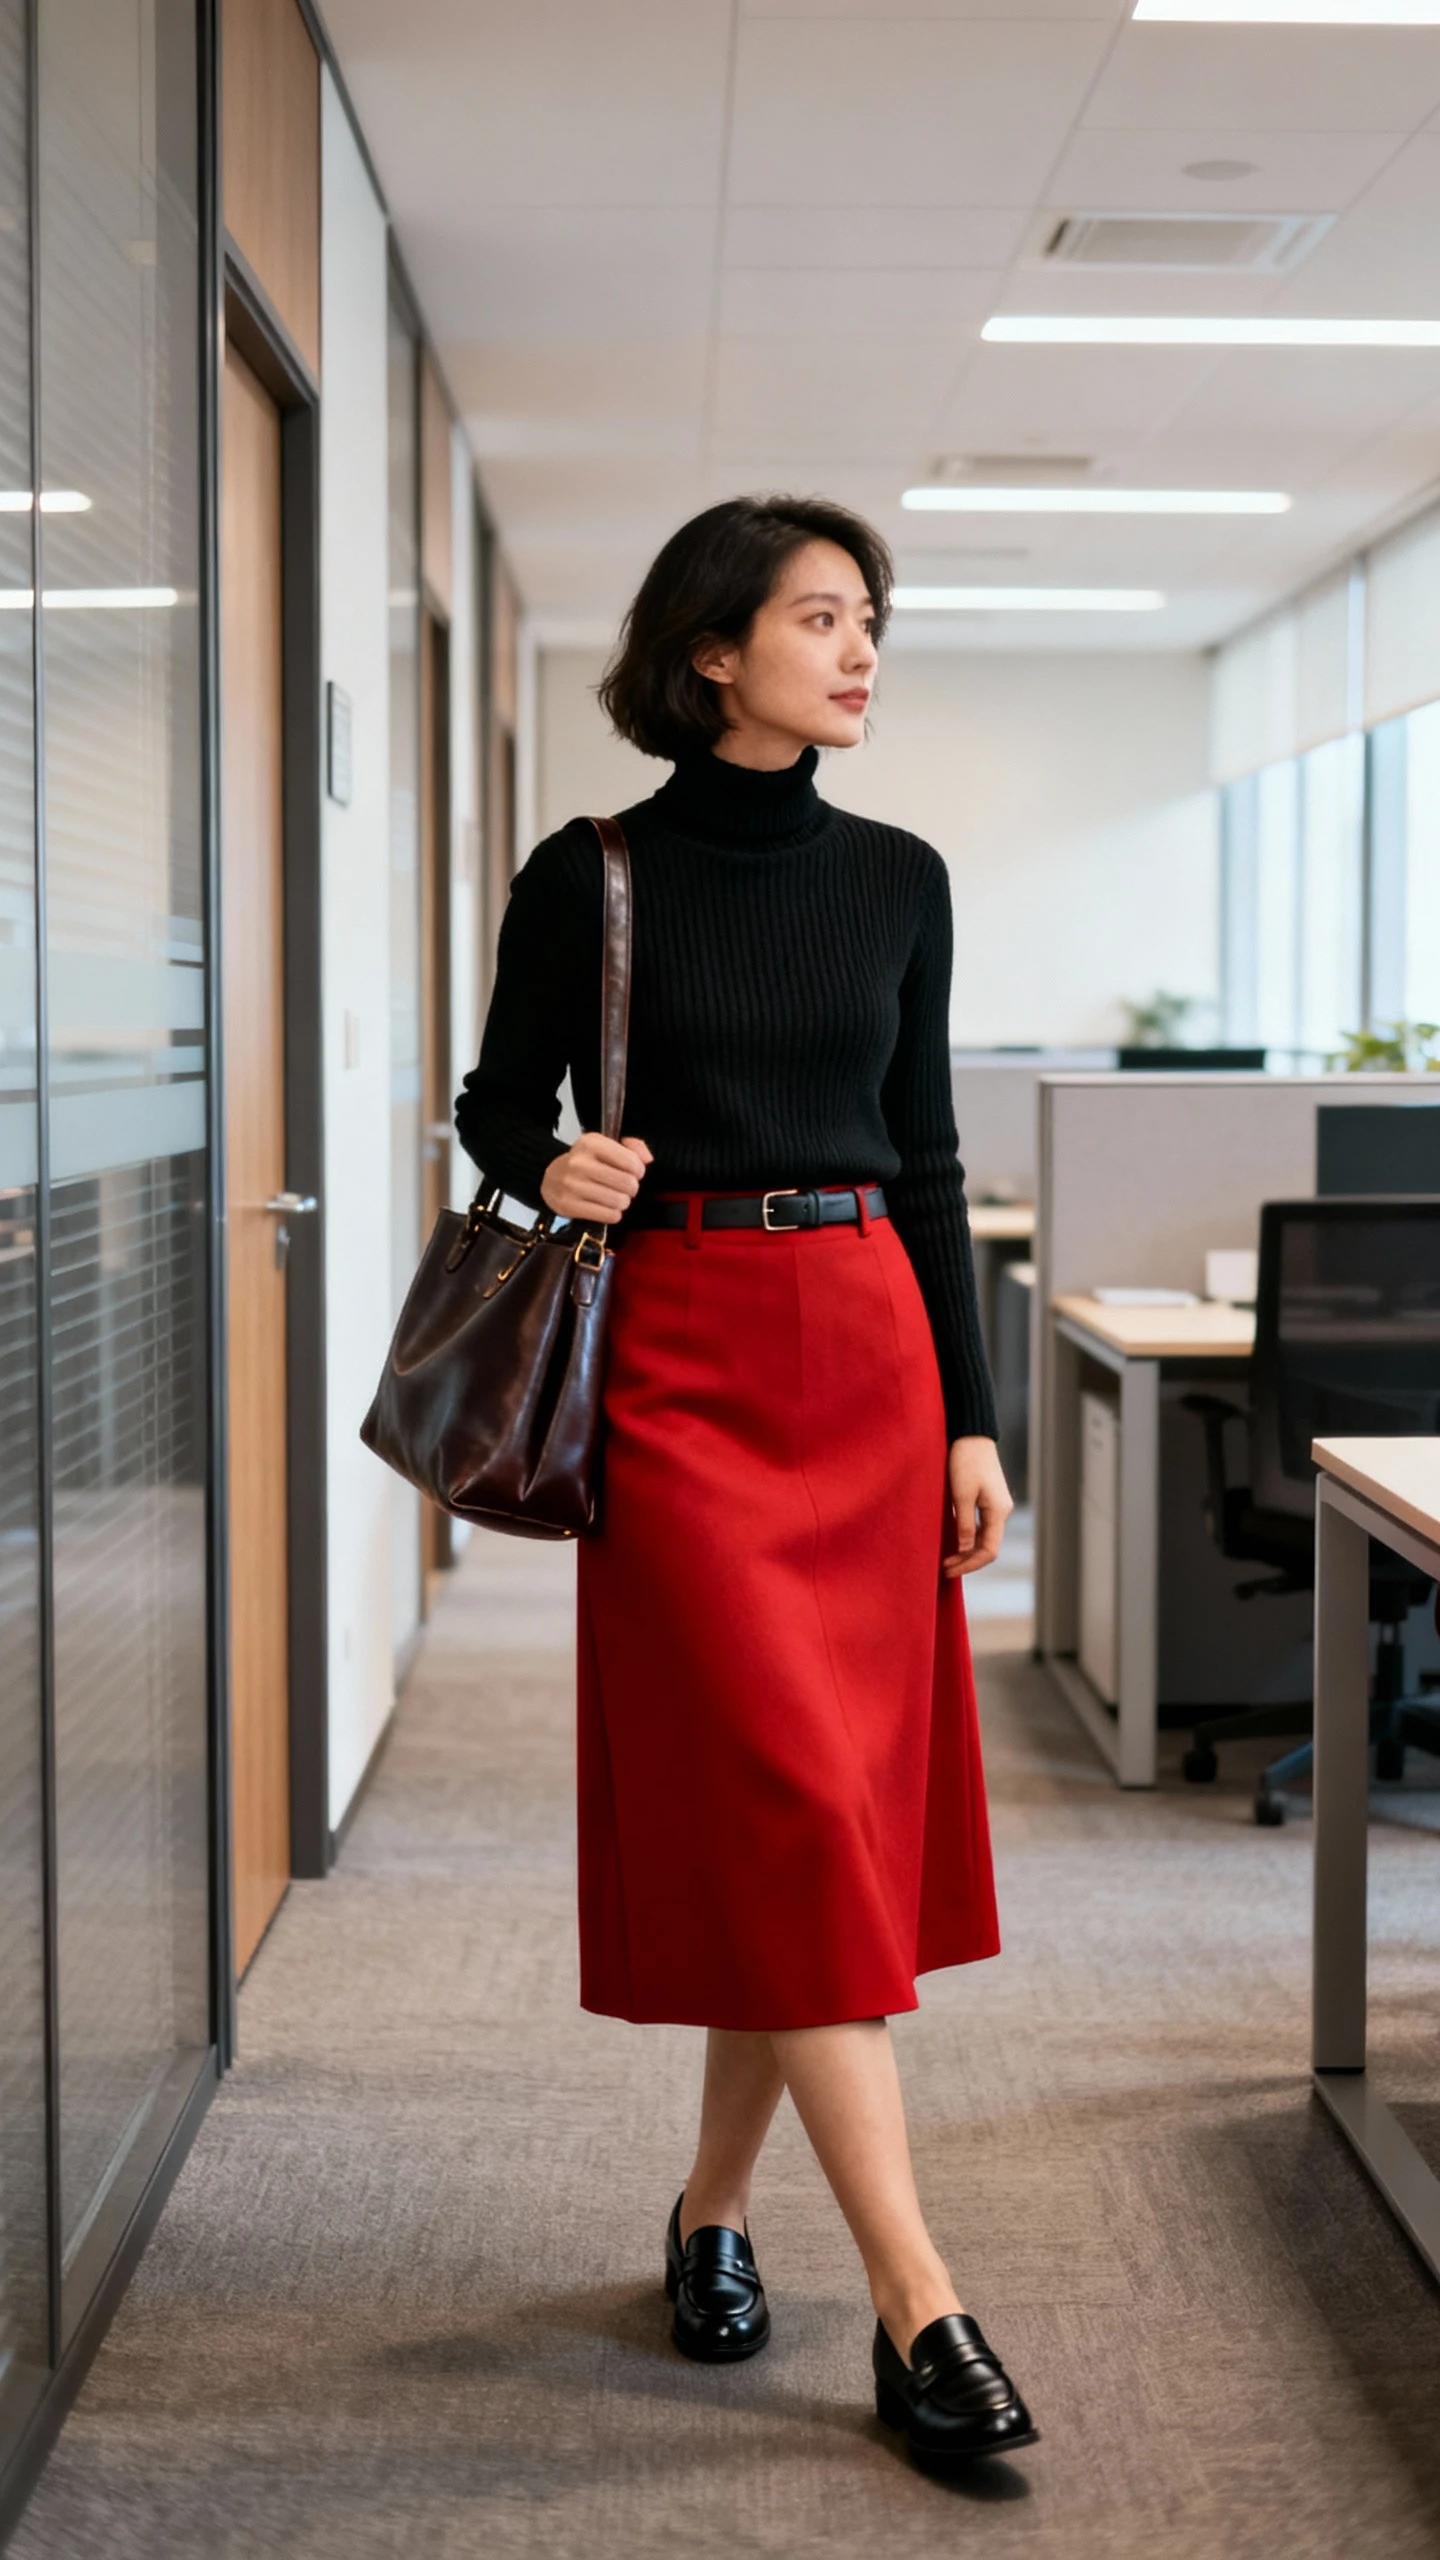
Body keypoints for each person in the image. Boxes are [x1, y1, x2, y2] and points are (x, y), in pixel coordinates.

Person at [456, 495, 1036, 2473]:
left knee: (797, 1831)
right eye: (820, 617)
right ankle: (918, 2297)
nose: (861, 650)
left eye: (871, 620)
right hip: (685, 1367)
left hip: (865, 1349)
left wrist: (972, 1411)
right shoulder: (591, 872)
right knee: (790, 1801)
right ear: (712, 649)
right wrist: (551, 1167)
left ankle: (713, 2214)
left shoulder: (901, 877)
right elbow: (489, 1104)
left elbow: (932, 1153)